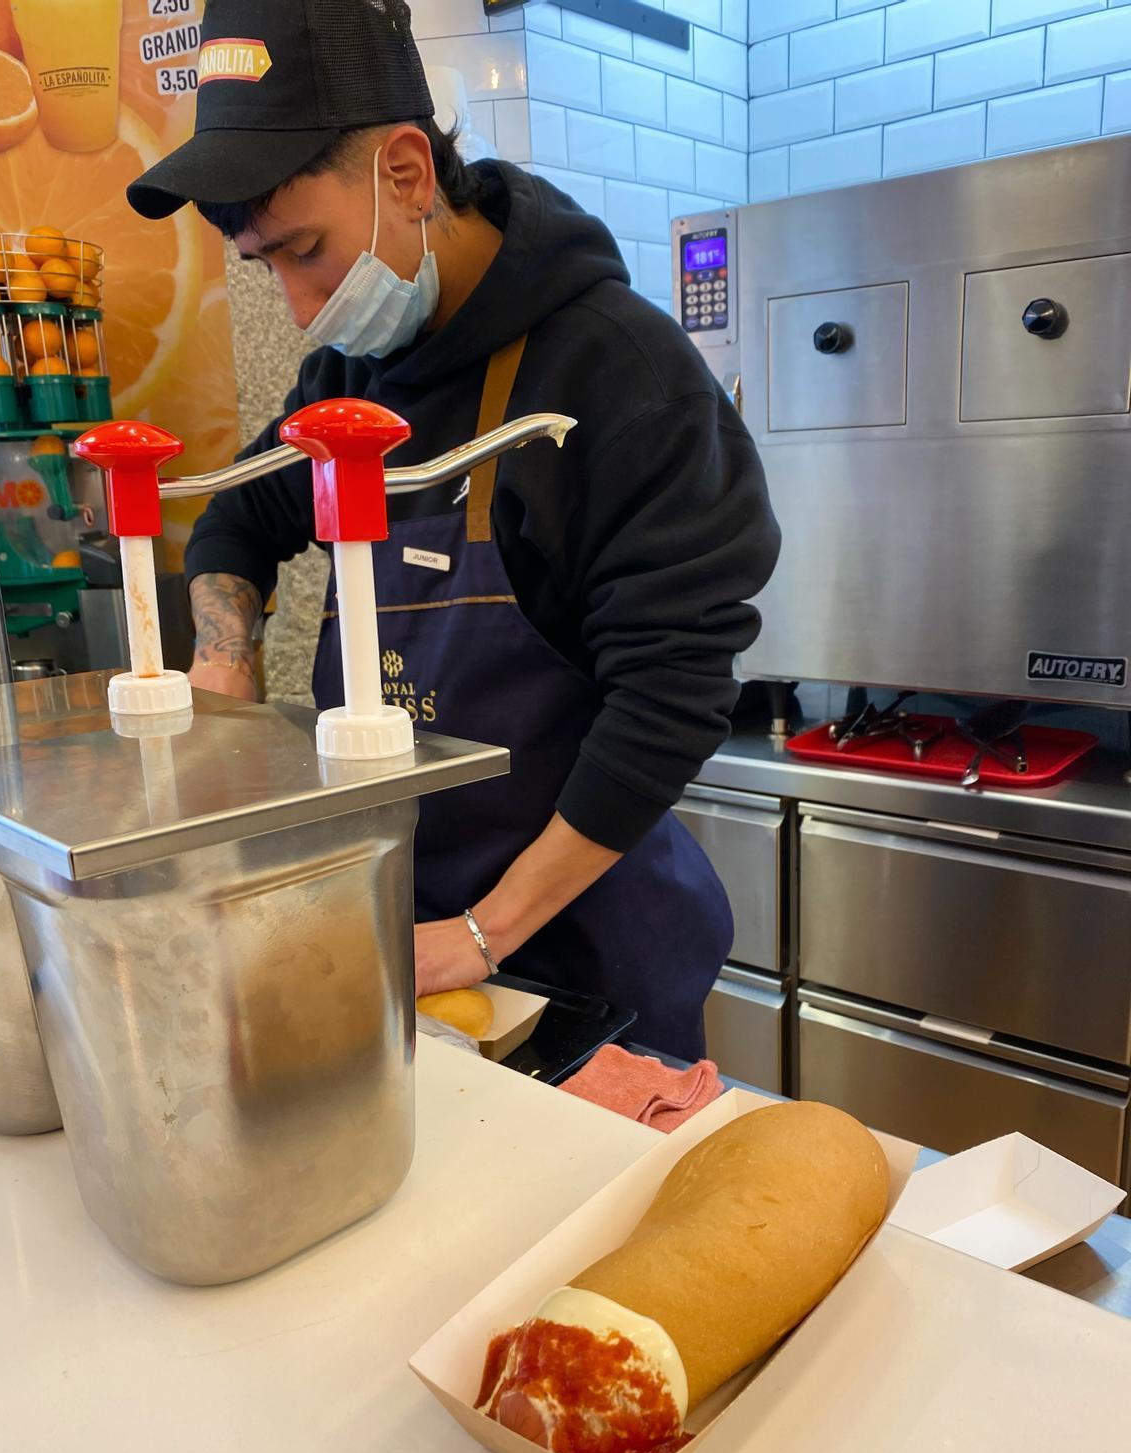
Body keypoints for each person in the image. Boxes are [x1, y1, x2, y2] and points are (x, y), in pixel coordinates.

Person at [127, 0, 780, 1061]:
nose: (298, 308)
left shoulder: (621, 374)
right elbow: (239, 519)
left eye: (305, 252)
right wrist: (223, 665)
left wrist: (485, 934)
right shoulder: (350, 376)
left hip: (584, 966)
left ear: (406, 173)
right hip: (400, 934)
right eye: (265, 269)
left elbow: (673, 693)